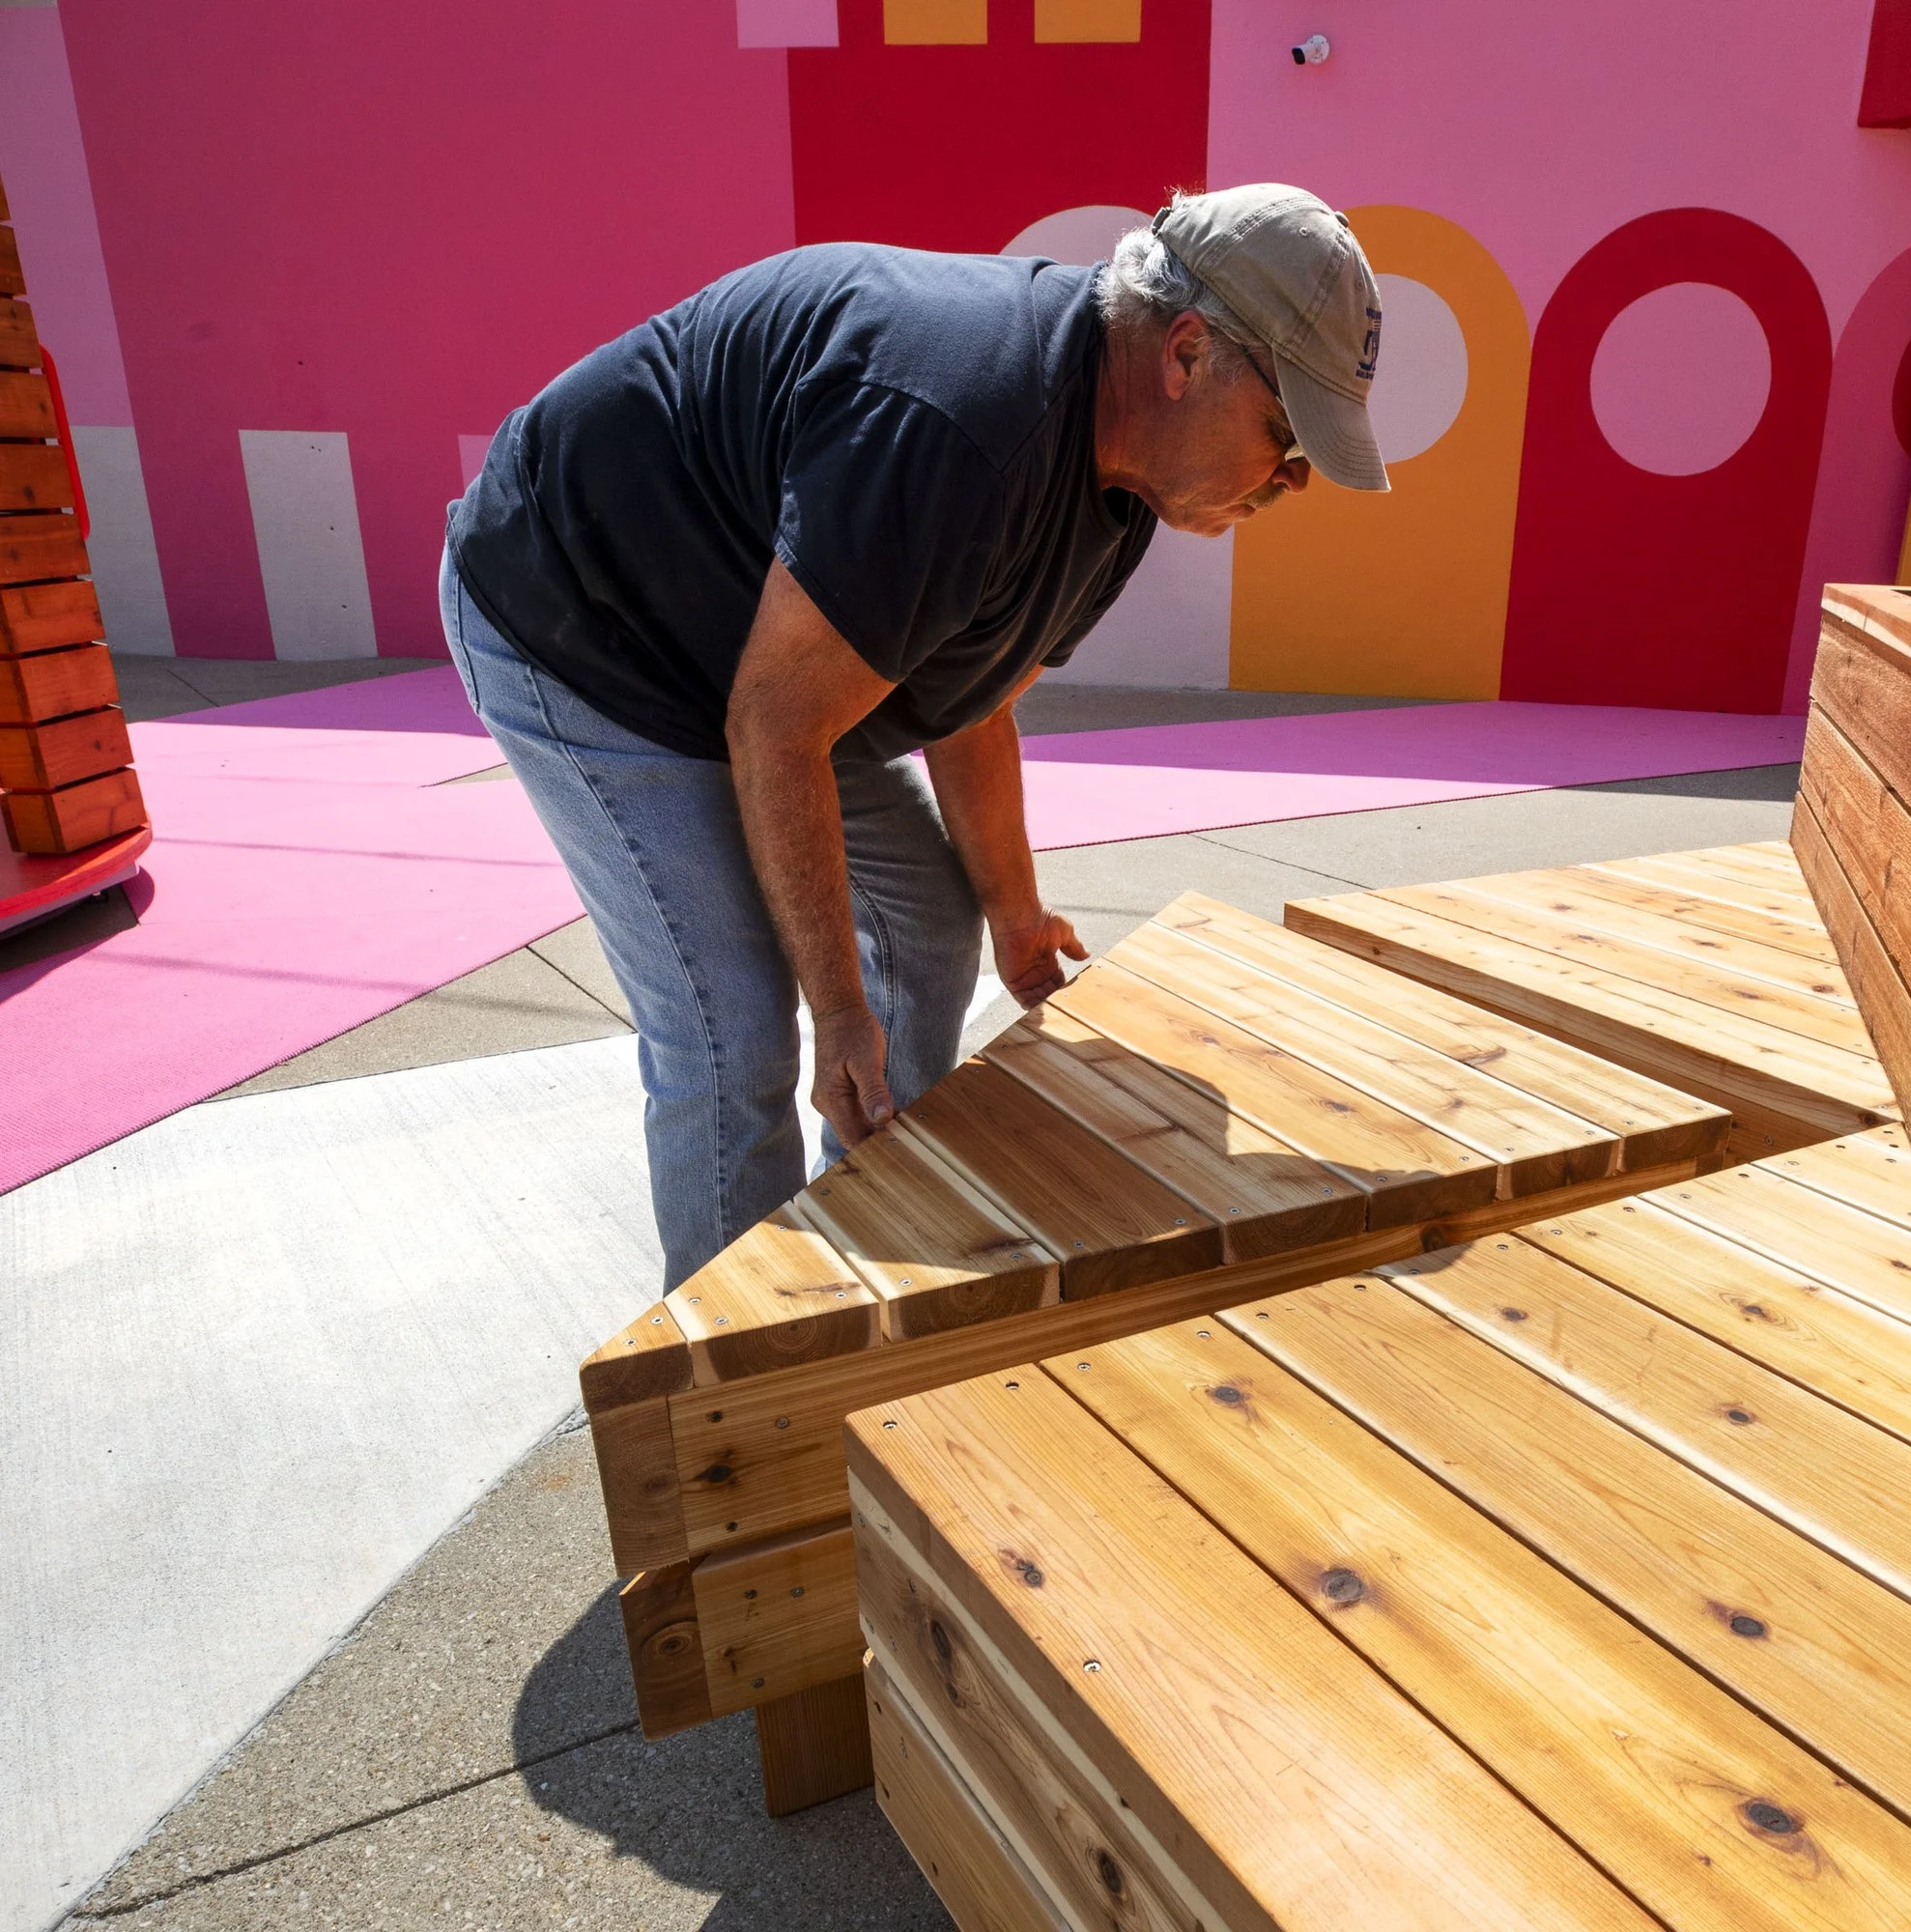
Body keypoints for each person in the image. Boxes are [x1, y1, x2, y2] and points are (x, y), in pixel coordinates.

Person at [440, 184, 1389, 1289]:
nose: (1294, 479)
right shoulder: (957, 421)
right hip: (583, 619)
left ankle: (868, 1231)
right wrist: (840, 1011)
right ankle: (737, 1398)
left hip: (760, 650)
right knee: (733, 1032)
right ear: (1185, 353)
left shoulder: (1123, 486)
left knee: (933, 927)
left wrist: (1016, 916)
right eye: (1287, 433)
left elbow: (972, 700)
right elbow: (778, 722)